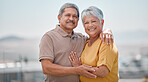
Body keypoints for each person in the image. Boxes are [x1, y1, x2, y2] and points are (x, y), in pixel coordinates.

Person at [39, 3, 113, 82]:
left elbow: (95, 35)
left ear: (78, 20)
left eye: (75, 16)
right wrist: (76, 70)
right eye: (68, 15)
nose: (71, 18)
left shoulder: (81, 39)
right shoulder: (49, 37)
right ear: (59, 18)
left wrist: (106, 31)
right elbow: (46, 68)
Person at [69, 6, 119, 82]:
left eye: (93, 21)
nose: (90, 25)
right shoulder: (86, 43)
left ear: (102, 23)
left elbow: (102, 72)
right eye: (86, 23)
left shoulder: (106, 42)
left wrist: (78, 68)